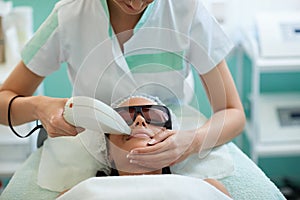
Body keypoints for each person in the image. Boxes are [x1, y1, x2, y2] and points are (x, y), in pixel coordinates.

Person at [0, 0, 245, 171]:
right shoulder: (69, 15)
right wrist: (39, 106)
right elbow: (4, 102)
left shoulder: (187, 10)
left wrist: (193, 141)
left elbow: (233, 113)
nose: (137, 4)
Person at [58, 94, 231, 199]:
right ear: (107, 150)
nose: (140, 120)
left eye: (153, 117)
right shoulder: (77, 194)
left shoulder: (208, 189)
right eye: (124, 119)